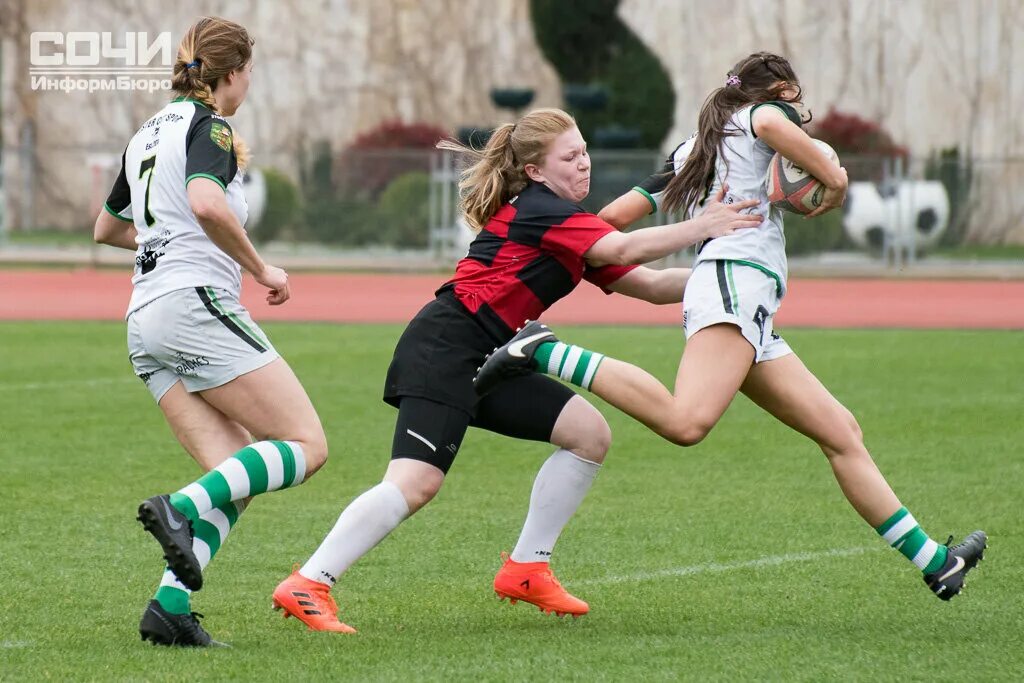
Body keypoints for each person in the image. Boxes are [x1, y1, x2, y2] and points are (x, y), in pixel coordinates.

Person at [476, 53, 986, 601]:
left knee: (841, 432)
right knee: (687, 422)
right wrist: (834, 180)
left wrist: (566, 251)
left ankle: (935, 560)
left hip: (747, 297)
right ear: (780, 90)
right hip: (734, 285)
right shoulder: (760, 118)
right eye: (793, 97)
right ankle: (543, 352)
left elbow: (606, 223)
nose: (796, 110)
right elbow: (769, 124)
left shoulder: (691, 151)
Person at [270, 107, 763, 633]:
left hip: (496, 356)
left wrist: (737, 275)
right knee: (415, 483)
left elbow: (650, 286)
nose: (584, 165)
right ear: (535, 172)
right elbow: (619, 244)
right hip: (446, 348)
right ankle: (310, 581)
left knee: (588, 435)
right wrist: (703, 225)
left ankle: (527, 568)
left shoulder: (569, 223)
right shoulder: (539, 208)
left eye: (584, 153)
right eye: (569, 157)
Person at [93, 17, 330, 647]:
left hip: (144, 319)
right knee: (306, 444)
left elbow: (106, 228)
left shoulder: (146, 132)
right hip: (193, 304)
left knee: (237, 471)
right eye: (250, 69)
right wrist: (261, 268)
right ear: (231, 73)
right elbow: (204, 201)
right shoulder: (211, 126)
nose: (251, 80)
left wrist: (160, 240)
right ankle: (179, 508)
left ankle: (169, 611)